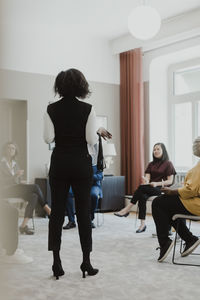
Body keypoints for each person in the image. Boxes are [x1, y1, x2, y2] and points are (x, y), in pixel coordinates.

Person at [44, 68, 108, 279]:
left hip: (60, 163)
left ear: (59, 85)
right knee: (83, 212)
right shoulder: (88, 109)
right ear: (81, 85)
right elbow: (91, 140)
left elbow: (48, 138)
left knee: (57, 213)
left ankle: (56, 263)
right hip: (81, 164)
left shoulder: (51, 109)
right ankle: (86, 262)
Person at [152, 137, 200, 262]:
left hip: (197, 204)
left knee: (158, 203)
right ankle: (189, 239)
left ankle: (165, 242)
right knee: (168, 208)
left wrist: (172, 191)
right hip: (195, 201)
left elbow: (191, 190)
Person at [114, 143, 176, 233]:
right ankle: (142, 224)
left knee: (141, 188)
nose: (156, 151)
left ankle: (127, 209)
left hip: (162, 189)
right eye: (154, 149)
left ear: (163, 151)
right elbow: (147, 178)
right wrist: (146, 180)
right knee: (142, 195)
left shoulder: (168, 164)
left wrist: (156, 183)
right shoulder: (151, 164)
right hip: (150, 188)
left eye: (158, 149)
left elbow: (170, 181)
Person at [0, 142, 51, 235]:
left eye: (13, 148)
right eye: (9, 148)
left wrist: (21, 181)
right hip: (5, 190)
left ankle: (23, 226)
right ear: (5, 150)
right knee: (35, 187)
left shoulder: (15, 164)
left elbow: (16, 181)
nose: (11, 150)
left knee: (34, 196)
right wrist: (14, 176)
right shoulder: (1, 163)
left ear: (15, 151)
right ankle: (47, 209)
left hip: (15, 189)